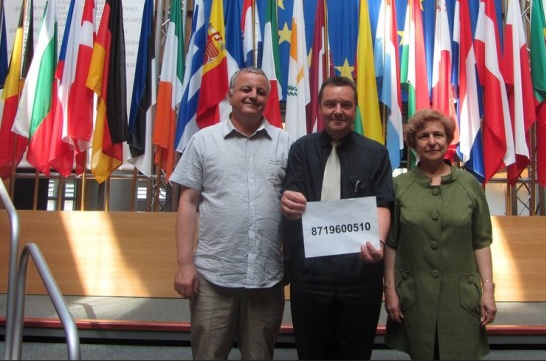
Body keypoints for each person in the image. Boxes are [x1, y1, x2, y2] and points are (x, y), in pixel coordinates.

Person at [171, 67, 292, 360]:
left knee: (260, 356)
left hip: (267, 277)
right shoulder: (203, 141)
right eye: (246, 89)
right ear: (231, 94)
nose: (253, 96)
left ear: (268, 98)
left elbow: (297, 206)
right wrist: (185, 264)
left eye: (261, 91)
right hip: (213, 276)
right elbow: (187, 203)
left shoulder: (286, 144)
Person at [280, 76, 394, 360]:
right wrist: (289, 202)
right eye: (331, 104)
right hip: (309, 277)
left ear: (355, 109)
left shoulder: (376, 153)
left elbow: (383, 204)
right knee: (311, 352)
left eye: (346, 104)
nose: (338, 110)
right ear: (319, 108)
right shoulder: (300, 150)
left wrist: (378, 241)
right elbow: (289, 196)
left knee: (355, 353)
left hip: (360, 275)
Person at [383, 108, 497, 360]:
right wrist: (390, 290)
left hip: (460, 298)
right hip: (416, 296)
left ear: (448, 140)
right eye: (423, 136)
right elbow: (391, 243)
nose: (432, 141)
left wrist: (488, 290)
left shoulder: (469, 185)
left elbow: (481, 242)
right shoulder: (399, 186)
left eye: (438, 135)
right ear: (413, 143)